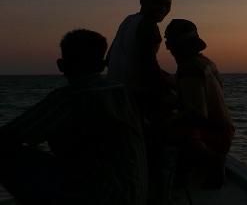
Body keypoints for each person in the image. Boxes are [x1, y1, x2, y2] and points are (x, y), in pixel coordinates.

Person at [0, 29, 147, 204]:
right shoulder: (124, 93)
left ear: (61, 65)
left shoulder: (70, 97)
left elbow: (11, 134)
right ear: (102, 65)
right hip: (134, 194)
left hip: (96, 195)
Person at [107, 0, 176, 203]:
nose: (162, 9)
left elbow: (110, 59)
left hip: (116, 96)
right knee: (163, 149)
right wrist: (175, 83)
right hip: (135, 99)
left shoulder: (128, 21)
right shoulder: (148, 27)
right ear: (142, 1)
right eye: (157, 3)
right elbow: (148, 68)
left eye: (166, 5)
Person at [164, 19, 235, 189]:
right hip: (225, 131)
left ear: (171, 46)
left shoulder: (189, 70)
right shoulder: (206, 63)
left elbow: (197, 115)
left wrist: (169, 121)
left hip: (211, 139)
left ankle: (212, 162)